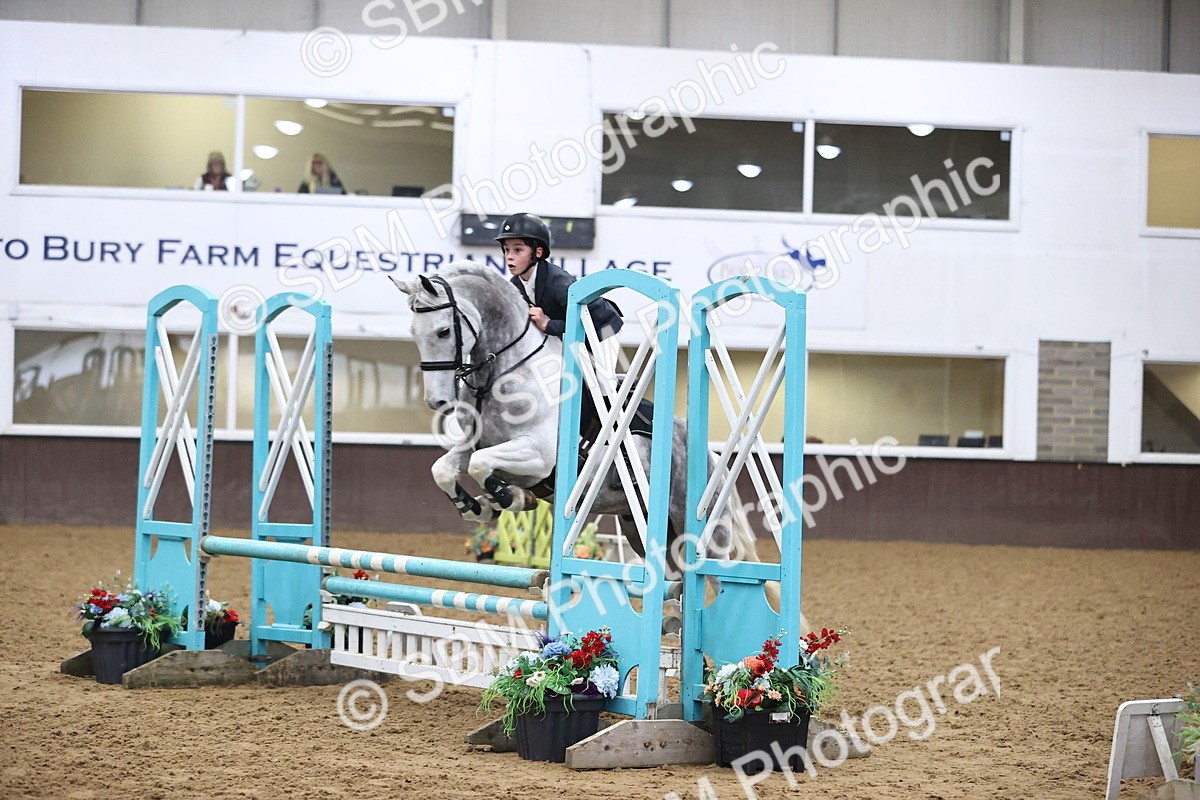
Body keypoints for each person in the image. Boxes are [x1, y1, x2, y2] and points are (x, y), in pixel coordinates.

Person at [495, 212, 623, 385]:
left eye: (518, 250)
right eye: (506, 250)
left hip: (602, 329)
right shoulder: (515, 285)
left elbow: (585, 323)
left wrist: (548, 324)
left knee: (602, 385)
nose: (509, 256)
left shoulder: (558, 282)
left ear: (538, 252)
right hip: (569, 337)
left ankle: (618, 405)